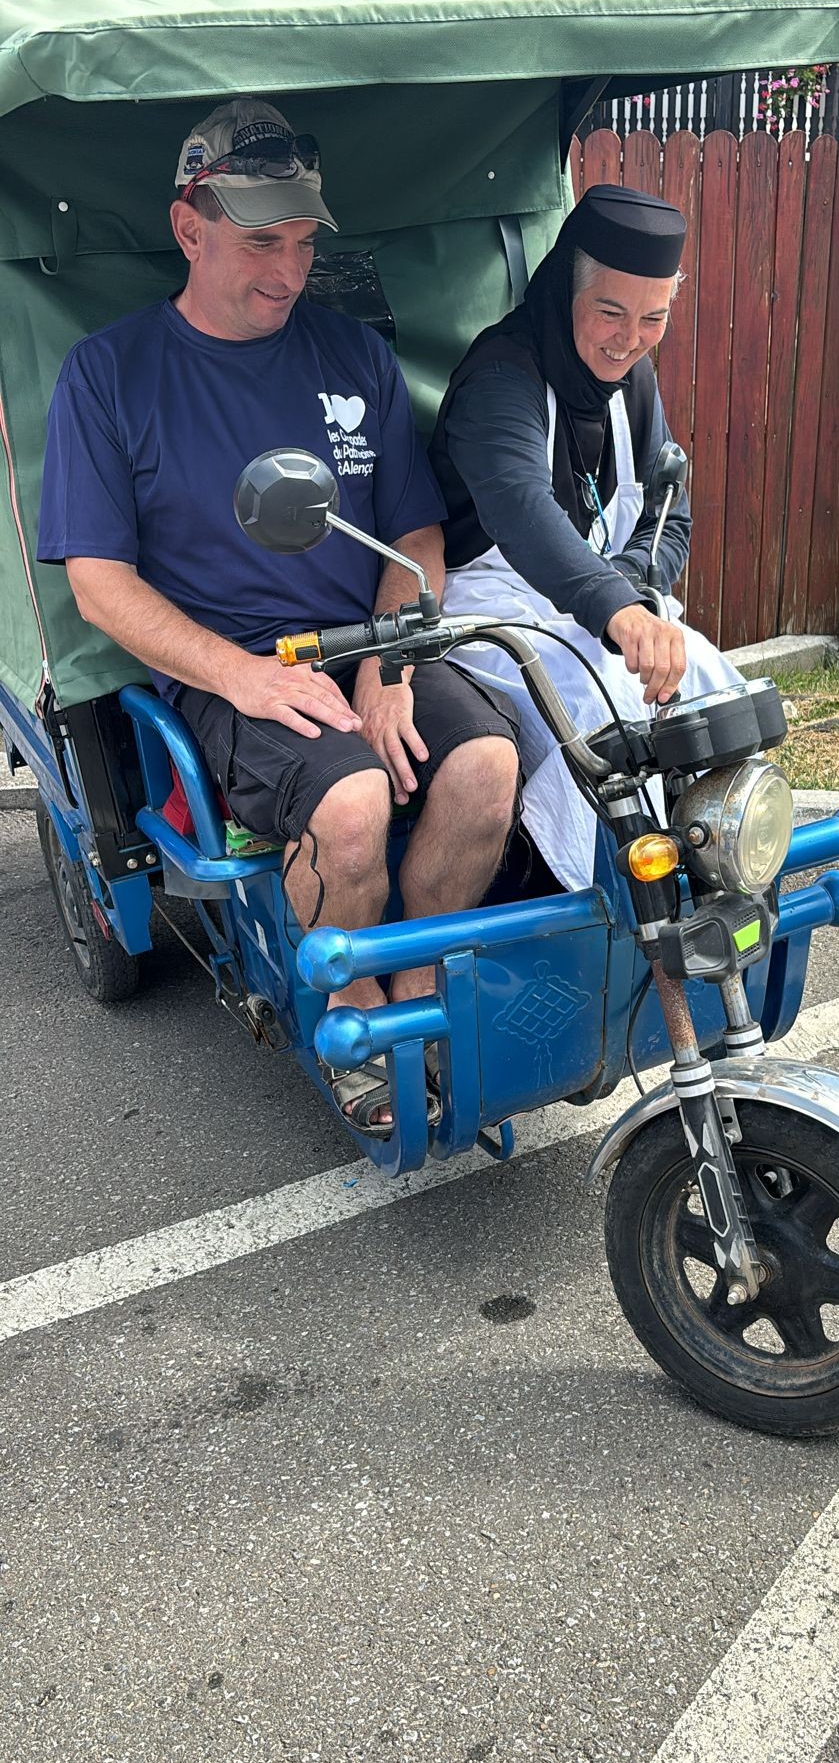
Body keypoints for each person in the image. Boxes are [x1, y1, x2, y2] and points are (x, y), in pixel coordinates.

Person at [37, 98, 520, 1133]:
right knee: (351, 811)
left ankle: (410, 981)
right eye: (262, 242)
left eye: (304, 243)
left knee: (487, 771)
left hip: (366, 644)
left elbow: (415, 542)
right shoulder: (109, 375)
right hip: (233, 669)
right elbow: (99, 584)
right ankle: (343, 1006)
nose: (288, 274)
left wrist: (384, 668)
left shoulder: (353, 357)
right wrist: (241, 675)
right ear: (189, 227)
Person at [428, 183, 741, 891]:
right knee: (598, 710)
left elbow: (670, 513)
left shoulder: (633, 382)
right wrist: (618, 609)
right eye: (610, 312)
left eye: (653, 318)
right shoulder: (500, 376)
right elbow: (520, 510)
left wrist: (632, 591)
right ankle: (600, 905)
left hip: (605, 609)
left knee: (715, 685)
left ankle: (722, 877)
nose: (629, 338)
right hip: (490, 616)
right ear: (567, 288)